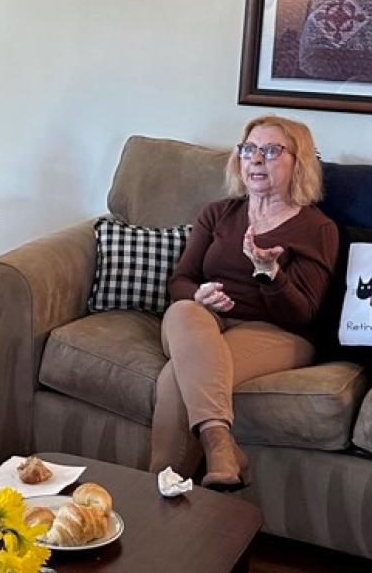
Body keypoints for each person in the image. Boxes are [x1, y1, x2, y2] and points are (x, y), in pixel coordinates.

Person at [148, 115, 339, 489]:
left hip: (277, 333)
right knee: (185, 309)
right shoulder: (218, 213)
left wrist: (270, 273)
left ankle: (161, 490)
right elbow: (181, 281)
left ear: (298, 162)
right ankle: (220, 444)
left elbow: (304, 314)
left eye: (270, 151)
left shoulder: (317, 229)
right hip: (204, 320)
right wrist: (198, 295)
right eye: (248, 149)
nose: (255, 160)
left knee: (176, 377)